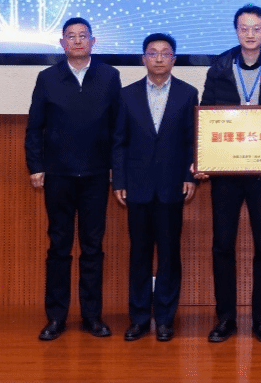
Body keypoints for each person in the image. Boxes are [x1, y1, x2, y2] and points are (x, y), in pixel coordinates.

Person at [197, 4, 261, 343]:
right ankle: (225, 318)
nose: (250, 34)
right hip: (226, 172)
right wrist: (203, 158)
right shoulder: (219, 68)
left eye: (256, 28)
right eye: (244, 28)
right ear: (236, 31)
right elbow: (207, 117)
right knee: (222, 245)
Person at [24, 17, 123, 341]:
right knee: (59, 247)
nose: (78, 41)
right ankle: (56, 317)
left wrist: (117, 169)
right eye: (71, 36)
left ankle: (92, 316)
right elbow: (34, 126)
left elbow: (118, 128)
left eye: (83, 36)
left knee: (93, 248)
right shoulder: (47, 78)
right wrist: (36, 166)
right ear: (62, 43)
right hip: (58, 175)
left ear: (93, 42)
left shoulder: (109, 76)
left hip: (96, 175)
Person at [112, 33, 198, 343]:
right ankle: (138, 318)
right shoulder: (127, 94)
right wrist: (119, 180)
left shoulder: (188, 93)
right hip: (136, 186)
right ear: (143, 58)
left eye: (165, 53)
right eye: (152, 53)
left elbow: (192, 139)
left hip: (172, 185)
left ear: (174, 59)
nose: (159, 58)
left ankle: (164, 319)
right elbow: (119, 142)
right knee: (140, 254)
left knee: (169, 254)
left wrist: (190, 176)